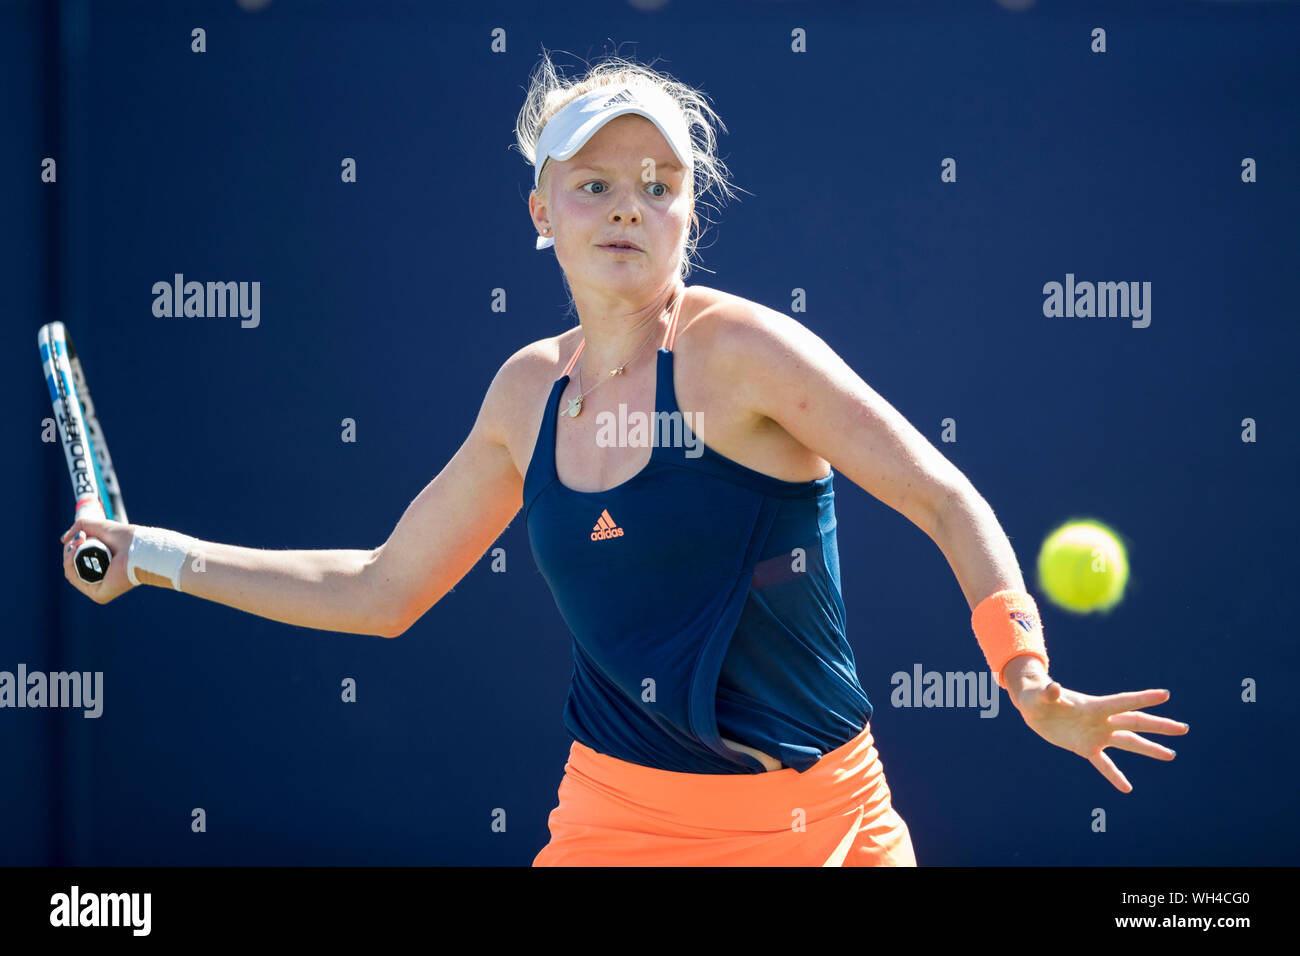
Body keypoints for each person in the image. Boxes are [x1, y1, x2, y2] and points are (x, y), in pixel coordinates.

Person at [59, 53, 1189, 866]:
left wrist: (1026, 678)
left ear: (689, 215)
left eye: (659, 184)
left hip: (818, 826)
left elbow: (943, 497)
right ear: (539, 211)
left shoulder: (742, 352)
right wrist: (154, 553)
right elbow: (380, 589)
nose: (627, 207)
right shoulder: (522, 392)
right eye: (593, 183)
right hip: (613, 820)